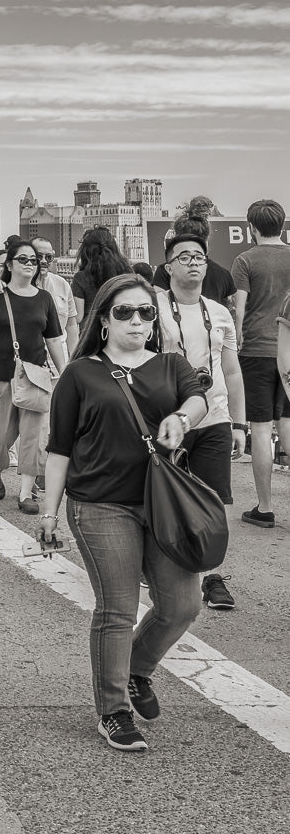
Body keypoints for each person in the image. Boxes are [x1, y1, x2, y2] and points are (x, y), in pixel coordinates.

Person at [43, 273, 209, 752]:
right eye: (125, 312)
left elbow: (197, 397)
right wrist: (49, 515)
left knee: (182, 605)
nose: (137, 321)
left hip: (163, 504)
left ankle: (137, 668)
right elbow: (59, 449)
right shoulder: (81, 374)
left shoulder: (170, 365)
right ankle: (112, 711)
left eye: (145, 312)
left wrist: (181, 417)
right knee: (117, 609)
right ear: (103, 319)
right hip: (100, 504)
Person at [157, 229, 246, 611]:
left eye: (199, 257)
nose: (193, 262)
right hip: (167, 419)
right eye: (184, 257)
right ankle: (161, 568)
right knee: (163, 497)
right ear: (168, 266)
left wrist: (239, 424)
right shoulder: (152, 306)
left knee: (213, 500)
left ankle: (212, 577)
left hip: (214, 418)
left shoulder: (220, 312)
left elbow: (233, 370)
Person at [0, 240, 68, 514]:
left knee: (35, 438)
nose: (31, 264)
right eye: (24, 259)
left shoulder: (44, 298)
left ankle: (26, 493)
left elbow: (53, 341)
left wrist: (66, 373)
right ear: (10, 265)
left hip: (35, 377)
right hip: (2, 375)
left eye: (34, 260)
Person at [231, 198, 290, 529]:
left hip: (256, 351)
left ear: (252, 229)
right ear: (282, 225)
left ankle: (265, 508)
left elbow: (239, 309)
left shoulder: (244, 260)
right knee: (289, 425)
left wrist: (237, 338)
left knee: (262, 428)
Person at [150, 196, 236, 305]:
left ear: (177, 237)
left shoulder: (166, 270)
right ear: (206, 239)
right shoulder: (223, 274)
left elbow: (159, 308)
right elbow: (228, 309)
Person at [72, 226, 134, 320]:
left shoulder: (81, 278)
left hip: (91, 331)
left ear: (86, 252)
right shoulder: (127, 273)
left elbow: (78, 317)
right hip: (121, 327)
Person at [31, 238, 80, 356]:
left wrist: (75, 358)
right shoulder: (19, 284)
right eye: (39, 256)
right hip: (30, 356)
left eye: (48, 257)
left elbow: (71, 325)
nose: (43, 261)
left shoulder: (62, 284)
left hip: (60, 355)